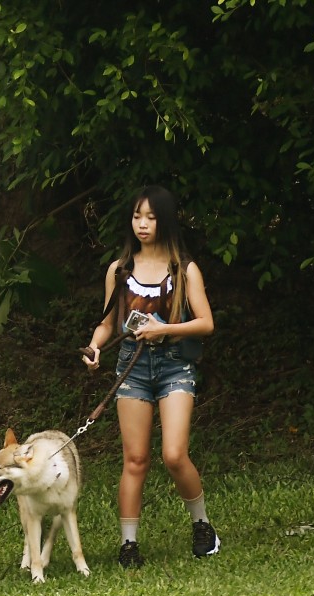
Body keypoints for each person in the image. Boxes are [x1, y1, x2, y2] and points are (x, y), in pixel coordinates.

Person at [82, 185, 218, 568]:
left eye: (151, 217)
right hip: (132, 367)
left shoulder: (184, 268)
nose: (142, 224)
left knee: (174, 455)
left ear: (165, 221)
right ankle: (128, 546)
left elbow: (206, 323)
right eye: (137, 216)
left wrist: (163, 330)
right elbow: (107, 323)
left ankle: (202, 524)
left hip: (175, 364)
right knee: (135, 459)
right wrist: (94, 347)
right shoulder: (120, 269)